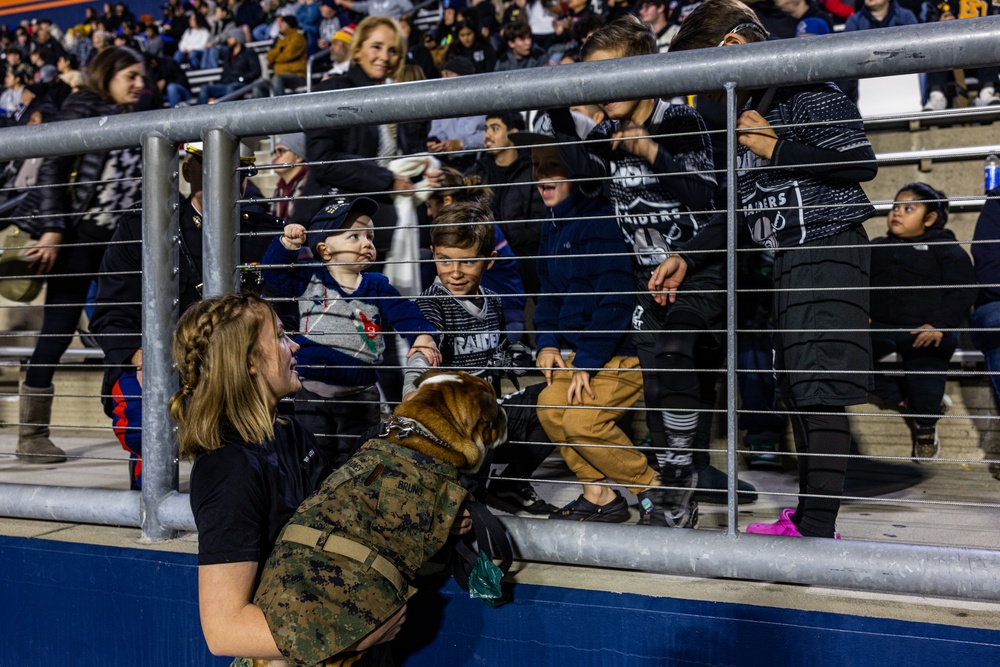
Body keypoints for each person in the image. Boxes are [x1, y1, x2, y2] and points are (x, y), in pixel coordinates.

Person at [665, 0, 878, 539]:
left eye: (706, 76)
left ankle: (815, 529)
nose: (705, 94)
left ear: (733, 48)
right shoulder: (749, 110)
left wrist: (778, 146)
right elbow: (740, 212)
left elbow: (860, 162)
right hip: (788, 257)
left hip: (828, 249)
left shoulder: (806, 87)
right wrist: (688, 255)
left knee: (819, 388)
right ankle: (809, 521)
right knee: (801, 388)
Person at [570, 15, 754, 524]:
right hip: (643, 280)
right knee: (655, 392)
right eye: (593, 79)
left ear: (645, 69)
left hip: (696, 273)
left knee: (677, 366)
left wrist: (653, 152)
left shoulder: (680, 118)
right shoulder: (605, 131)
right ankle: (675, 501)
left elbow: (710, 200)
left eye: (612, 75)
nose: (603, 92)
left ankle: (677, 497)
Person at [174, 292, 405, 663]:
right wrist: (352, 634)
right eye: (281, 336)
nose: (295, 345)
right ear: (249, 360)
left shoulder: (289, 432)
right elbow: (223, 630)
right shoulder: (228, 470)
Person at [91, 142, 280, 488]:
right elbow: (110, 314)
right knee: (142, 405)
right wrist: (140, 356)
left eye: (238, 169)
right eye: (214, 166)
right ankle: (150, 501)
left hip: (241, 364)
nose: (228, 177)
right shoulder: (143, 226)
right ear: (188, 172)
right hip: (168, 366)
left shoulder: (264, 230)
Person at [516, 115, 668, 524]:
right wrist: (546, 342)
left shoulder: (599, 219)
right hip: (575, 354)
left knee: (583, 421)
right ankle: (599, 496)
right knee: (549, 407)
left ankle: (655, 491)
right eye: (536, 166)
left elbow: (615, 298)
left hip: (616, 356)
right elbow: (548, 292)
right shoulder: (552, 223)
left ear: (578, 170)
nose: (542, 176)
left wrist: (586, 360)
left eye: (553, 166)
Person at [12, 46, 146, 465]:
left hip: (120, 244)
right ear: (107, 75)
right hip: (79, 239)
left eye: (142, 77)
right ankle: (32, 435)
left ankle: (144, 421)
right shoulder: (82, 108)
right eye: (131, 76)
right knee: (57, 330)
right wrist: (53, 228)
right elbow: (52, 165)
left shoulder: (136, 117)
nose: (139, 84)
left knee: (133, 330)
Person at [261, 198, 442, 466]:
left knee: (358, 455)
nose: (367, 243)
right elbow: (274, 275)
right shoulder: (309, 278)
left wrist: (423, 335)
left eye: (370, 236)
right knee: (313, 454)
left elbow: (405, 313)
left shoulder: (377, 285)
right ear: (324, 249)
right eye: (354, 236)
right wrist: (286, 247)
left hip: (361, 393)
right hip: (312, 391)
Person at [408, 200, 556, 514]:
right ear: (433, 253)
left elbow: (497, 351)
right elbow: (423, 345)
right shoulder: (430, 305)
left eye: (468, 262)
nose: (455, 273)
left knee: (556, 398)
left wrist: (516, 356)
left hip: (490, 413)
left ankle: (510, 485)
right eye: (444, 261)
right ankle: (470, 501)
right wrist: (414, 385)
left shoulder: (494, 302)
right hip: (456, 426)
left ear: (489, 261)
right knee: (469, 501)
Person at [869, 183, 976, 461]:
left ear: (929, 219)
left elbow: (965, 288)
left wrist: (940, 324)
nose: (897, 213)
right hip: (880, 326)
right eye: (895, 207)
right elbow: (857, 282)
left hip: (928, 328)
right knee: (845, 356)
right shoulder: (877, 247)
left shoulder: (943, 246)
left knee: (926, 360)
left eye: (908, 209)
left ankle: (925, 425)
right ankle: (912, 402)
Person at [293, 16, 412, 262]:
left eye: (393, 51)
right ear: (357, 50)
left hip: (374, 228)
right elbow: (323, 159)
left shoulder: (392, 100)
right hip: (335, 227)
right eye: (376, 46)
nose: (385, 57)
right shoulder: (334, 89)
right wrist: (387, 179)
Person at [422, 169, 527, 339]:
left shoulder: (469, 227)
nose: (428, 213)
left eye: (430, 205)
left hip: (503, 317)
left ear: (447, 201)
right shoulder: (478, 220)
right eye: (445, 261)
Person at [465, 110, 547, 298]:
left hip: (524, 257)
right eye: (486, 129)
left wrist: (506, 237)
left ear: (513, 134)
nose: (487, 136)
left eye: (495, 129)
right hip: (487, 256)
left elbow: (540, 222)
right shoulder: (476, 173)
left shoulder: (533, 171)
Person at [426, 56, 485, 171]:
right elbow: (436, 132)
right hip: (447, 165)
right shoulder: (441, 104)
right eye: (442, 75)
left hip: (476, 164)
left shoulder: (482, 105)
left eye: (448, 75)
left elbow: (489, 136)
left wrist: (462, 144)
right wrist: (437, 144)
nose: (443, 79)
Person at [196, 27, 261, 104]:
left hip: (241, 84)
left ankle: (227, 114)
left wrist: (242, 78)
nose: (228, 40)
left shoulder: (249, 53)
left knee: (231, 89)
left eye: (230, 38)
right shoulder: (228, 55)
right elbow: (224, 73)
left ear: (237, 39)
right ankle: (202, 113)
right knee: (205, 89)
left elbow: (256, 71)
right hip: (226, 84)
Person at [262, 15, 308, 97]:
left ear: (289, 24)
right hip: (279, 77)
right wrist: (279, 51)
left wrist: (274, 58)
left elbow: (288, 55)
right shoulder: (280, 40)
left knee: (276, 79)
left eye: (282, 23)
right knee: (259, 86)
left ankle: (280, 107)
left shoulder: (298, 37)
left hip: (296, 75)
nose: (279, 25)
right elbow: (269, 55)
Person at [270, 132, 309, 221]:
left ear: (298, 157)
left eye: (281, 151)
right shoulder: (280, 189)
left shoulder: (309, 186)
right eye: (274, 152)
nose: (275, 156)